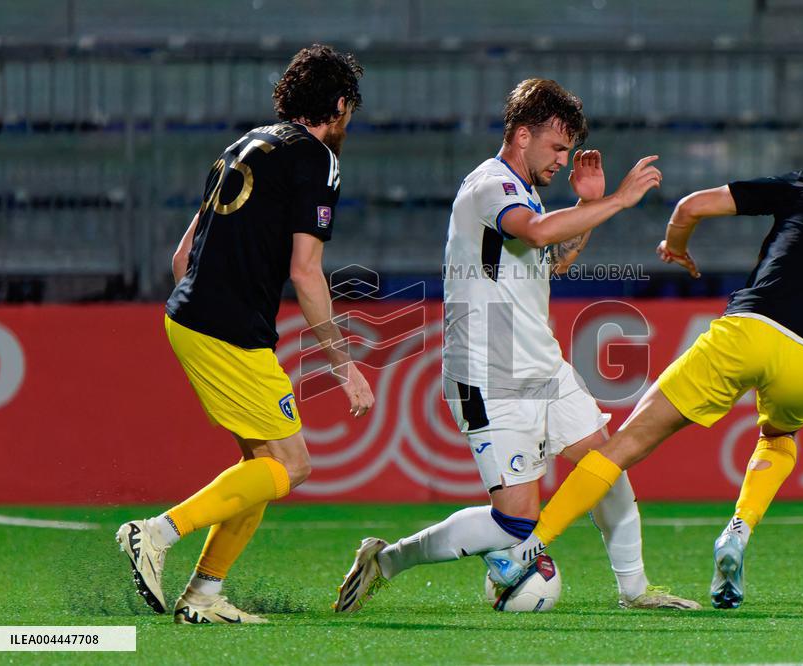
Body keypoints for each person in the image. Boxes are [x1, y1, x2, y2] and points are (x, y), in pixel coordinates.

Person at [484, 135, 803, 610]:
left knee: (624, 445)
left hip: (751, 329)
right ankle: (738, 532)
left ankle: (527, 551)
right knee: (779, 438)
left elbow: (692, 205)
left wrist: (675, 245)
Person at [334, 78, 699, 614]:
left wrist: (585, 205)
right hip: (488, 372)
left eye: (568, 150)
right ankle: (385, 561)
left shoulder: (524, 191)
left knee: (605, 465)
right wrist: (618, 201)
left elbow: (556, 259)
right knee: (515, 522)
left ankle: (636, 591)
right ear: (522, 135)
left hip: (541, 364)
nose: (562, 160)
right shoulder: (489, 185)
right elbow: (534, 233)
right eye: (556, 148)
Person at [115, 44, 374, 624]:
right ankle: (156, 533)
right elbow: (306, 272)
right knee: (293, 465)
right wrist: (345, 366)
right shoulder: (319, 160)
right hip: (229, 330)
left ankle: (204, 595)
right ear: (339, 105)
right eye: (349, 110)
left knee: (259, 464)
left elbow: (182, 254)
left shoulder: (245, 144)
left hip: (188, 316)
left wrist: (208, 306)